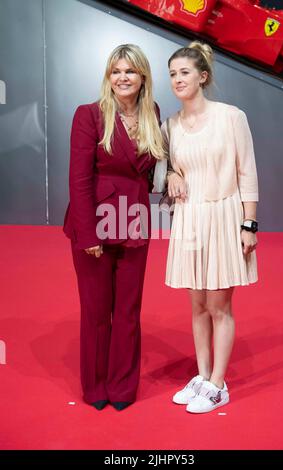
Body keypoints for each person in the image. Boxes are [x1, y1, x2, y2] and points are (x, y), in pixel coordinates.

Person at [63, 44, 164, 411]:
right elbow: (79, 180)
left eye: (130, 71)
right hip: (96, 224)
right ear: (109, 76)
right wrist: (87, 233)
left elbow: (155, 168)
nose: (123, 78)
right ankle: (96, 387)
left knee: (127, 310)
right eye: (116, 71)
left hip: (134, 221)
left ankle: (122, 387)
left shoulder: (152, 113)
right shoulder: (89, 115)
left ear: (142, 78)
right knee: (96, 311)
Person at [163, 41, 259, 413]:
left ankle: (219, 385)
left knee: (220, 306)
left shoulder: (231, 117)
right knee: (198, 306)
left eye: (185, 72)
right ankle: (203, 377)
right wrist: (171, 173)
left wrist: (248, 223)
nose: (177, 79)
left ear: (203, 76)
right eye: (172, 74)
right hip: (188, 218)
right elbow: (168, 166)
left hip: (223, 216)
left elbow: (247, 171)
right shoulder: (170, 124)